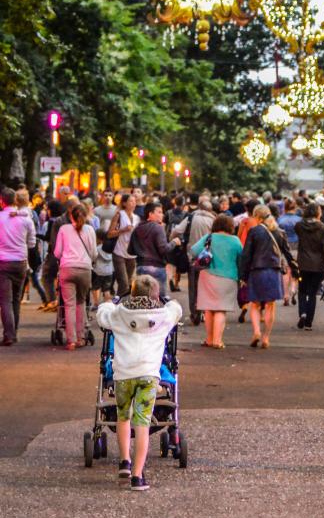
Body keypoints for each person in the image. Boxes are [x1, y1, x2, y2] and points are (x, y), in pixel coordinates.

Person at [96, 273, 182, 491]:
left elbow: (102, 314)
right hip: (148, 376)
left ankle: (124, 461)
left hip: (123, 374)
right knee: (142, 424)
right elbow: (177, 309)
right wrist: (167, 299)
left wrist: (112, 301)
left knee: (123, 417)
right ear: (155, 294)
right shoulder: (163, 315)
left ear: (131, 293)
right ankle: (137, 476)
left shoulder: (119, 314)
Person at [240, 206, 294, 349]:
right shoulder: (280, 232)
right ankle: (265, 338)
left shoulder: (254, 232)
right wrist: (295, 270)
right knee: (270, 306)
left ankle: (256, 332)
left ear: (257, 217)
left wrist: (242, 276)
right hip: (274, 272)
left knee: (255, 304)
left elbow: (246, 255)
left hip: (256, 271)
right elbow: (288, 254)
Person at [190, 213, 243, 348]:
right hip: (228, 277)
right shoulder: (235, 240)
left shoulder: (209, 238)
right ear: (230, 226)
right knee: (221, 309)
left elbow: (194, 251)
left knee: (208, 309)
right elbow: (242, 257)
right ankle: (217, 341)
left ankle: (209, 339)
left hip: (207, 276)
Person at [54, 202, 98, 349]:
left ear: (70, 216)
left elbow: (57, 253)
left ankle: (71, 340)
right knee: (81, 303)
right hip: (84, 269)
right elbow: (94, 253)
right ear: (85, 216)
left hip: (67, 269)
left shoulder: (63, 229)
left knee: (69, 305)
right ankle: (81, 338)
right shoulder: (90, 230)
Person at [0, 187, 36, 345]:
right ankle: (13, 331)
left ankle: (9, 335)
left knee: (5, 300)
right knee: (16, 299)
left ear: (1, 201)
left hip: (3, 262)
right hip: (21, 262)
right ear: (15, 200)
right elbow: (32, 243)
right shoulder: (26, 219)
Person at [129, 201, 181, 298]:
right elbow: (164, 249)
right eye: (159, 212)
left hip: (141, 267)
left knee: (142, 299)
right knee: (159, 300)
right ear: (150, 214)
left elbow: (130, 251)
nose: (162, 214)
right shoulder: (158, 228)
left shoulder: (137, 228)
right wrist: (174, 242)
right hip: (157, 268)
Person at [295, 202, 324, 331]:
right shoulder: (323, 228)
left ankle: (302, 313)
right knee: (312, 293)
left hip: (302, 263)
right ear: (318, 213)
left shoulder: (299, 226)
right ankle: (308, 323)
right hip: (317, 264)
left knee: (302, 290)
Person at [112, 193, 139, 297]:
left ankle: (118, 305)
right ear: (124, 203)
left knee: (127, 284)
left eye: (135, 201)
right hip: (119, 252)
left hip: (132, 254)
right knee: (123, 284)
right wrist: (123, 230)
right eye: (131, 201)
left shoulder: (136, 218)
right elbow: (110, 234)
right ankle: (119, 305)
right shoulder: (119, 215)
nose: (133, 204)